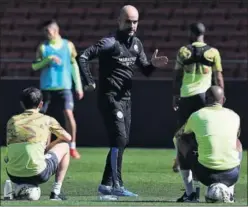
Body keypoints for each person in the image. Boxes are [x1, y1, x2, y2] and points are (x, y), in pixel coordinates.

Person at [76, 5, 168, 197]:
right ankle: (117, 185)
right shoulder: (109, 42)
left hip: (126, 99)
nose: (132, 25)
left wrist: (153, 65)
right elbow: (83, 56)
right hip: (109, 97)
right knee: (120, 139)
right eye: (128, 21)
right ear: (119, 21)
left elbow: (145, 70)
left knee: (122, 141)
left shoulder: (137, 44)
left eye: (135, 21)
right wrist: (90, 81)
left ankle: (106, 185)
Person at [172, 22, 224, 172]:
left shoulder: (183, 51)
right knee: (204, 130)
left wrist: (175, 95)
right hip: (204, 96)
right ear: (203, 33)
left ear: (191, 33)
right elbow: (218, 77)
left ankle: (179, 161)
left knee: (181, 132)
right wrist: (221, 97)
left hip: (186, 94)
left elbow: (177, 76)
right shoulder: (213, 52)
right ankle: (206, 160)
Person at [175, 86, 242, 202]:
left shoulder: (197, 115)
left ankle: (190, 194)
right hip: (232, 175)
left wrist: (179, 158)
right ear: (224, 100)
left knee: (182, 139)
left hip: (205, 175)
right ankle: (230, 192)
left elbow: (179, 135)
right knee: (237, 142)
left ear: (205, 100)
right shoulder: (235, 116)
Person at [5, 87, 72, 200]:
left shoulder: (12, 121)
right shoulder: (47, 119)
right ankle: (56, 192)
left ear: (22, 104)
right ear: (41, 104)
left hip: (13, 175)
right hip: (38, 174)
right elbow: (68, 137)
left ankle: (18, 188)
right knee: (65, 145)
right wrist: (51, 146)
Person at [31, 19, 83, 159]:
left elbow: (74, 66)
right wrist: (48, 59)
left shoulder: (68, 45)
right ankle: (44, 148)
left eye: (47, 31)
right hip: (47, 89)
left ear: (55, 30)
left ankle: (72, 147)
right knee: (44, 118)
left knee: (68, 113)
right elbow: (34, 66)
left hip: (65, 87)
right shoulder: (43, 47)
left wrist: (78, 86)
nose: (45, 34)